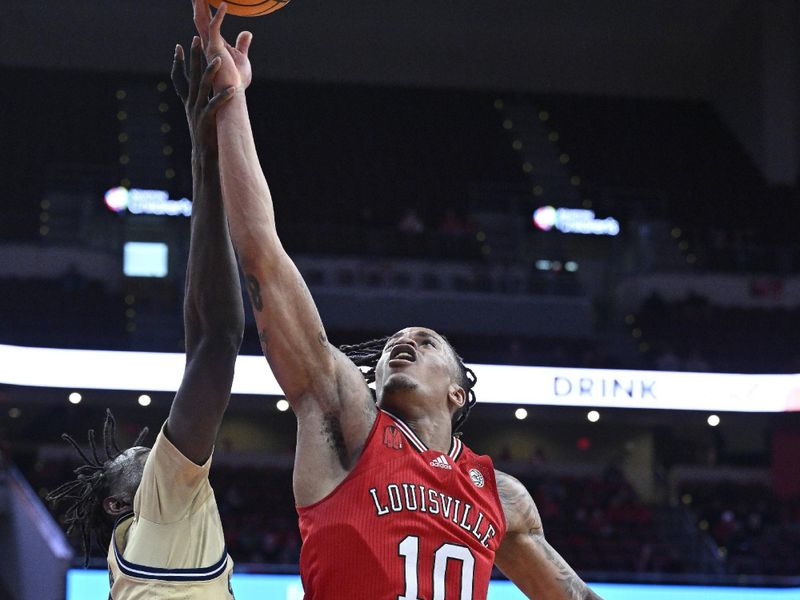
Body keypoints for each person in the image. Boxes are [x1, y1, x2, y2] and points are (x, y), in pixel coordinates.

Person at [194, 3, 603, 598]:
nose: (401, 344)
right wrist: (232, 100)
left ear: (458, 390)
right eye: (392, 345)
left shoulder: (503, 499)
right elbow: (261, 254)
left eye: (425, 342)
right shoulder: (344, 416)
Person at [46, 40, 244, 598]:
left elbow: (210, 339)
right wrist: (204, 152)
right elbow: (215, 339)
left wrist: (204, 153)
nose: (140, 449)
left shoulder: (143, 534)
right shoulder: (160, 509)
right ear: (118, 503)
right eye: (128, 461)